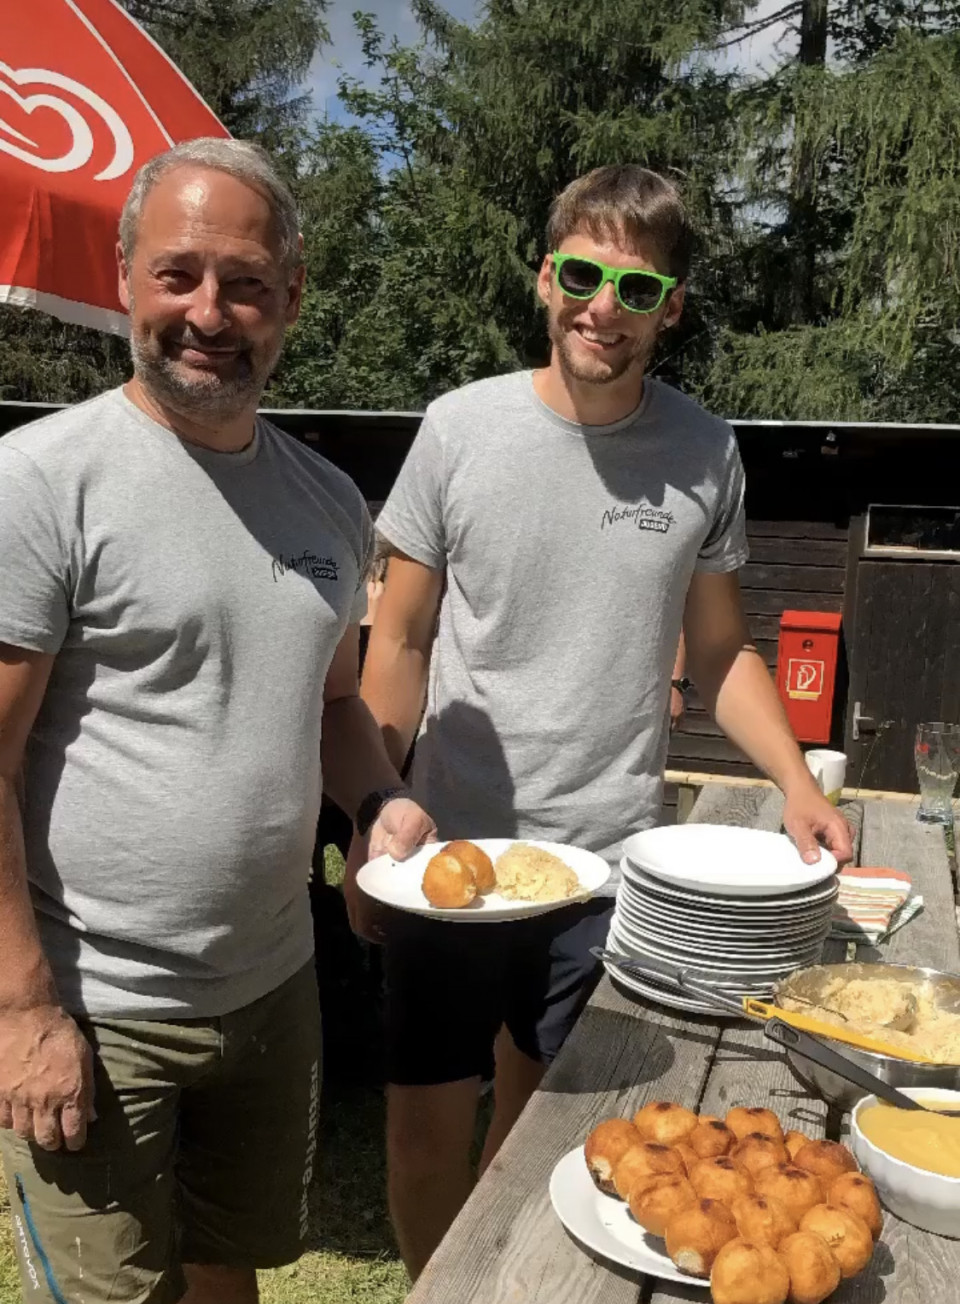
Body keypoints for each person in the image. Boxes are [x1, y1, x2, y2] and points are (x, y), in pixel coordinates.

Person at [351, 164, 853, 1280]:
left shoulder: (704, 451)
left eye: (637, 286)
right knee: (425, 1126)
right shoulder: (458, 428)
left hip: (605, 862)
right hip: (453, 850)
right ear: (546, 277)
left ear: (671, 305)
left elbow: (719, 652)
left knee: (545, 1134)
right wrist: (373, 814)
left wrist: (798, 784)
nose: (602, 306)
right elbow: (398, 640)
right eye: (582, 273)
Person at [0, 137, 434, 1304]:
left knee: (227, 1272)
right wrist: (23, 1004)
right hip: (96, 1001)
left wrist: (380, 795)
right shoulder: (40, 481)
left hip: (270, 983)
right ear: (124, 271)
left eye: (244, 281)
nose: (210, 310)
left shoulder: (330, 500)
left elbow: (336, 702)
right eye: (178, 273)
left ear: (290, 295)